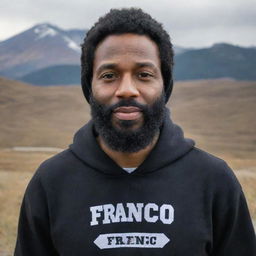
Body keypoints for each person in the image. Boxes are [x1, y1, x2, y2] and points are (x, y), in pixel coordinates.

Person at [14, 8, 256, 256]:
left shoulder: (214, 180)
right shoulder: (51, 181)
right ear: (89, 87)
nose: (127, 90)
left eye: (144, 75)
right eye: (109, 75)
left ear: (165, 85)